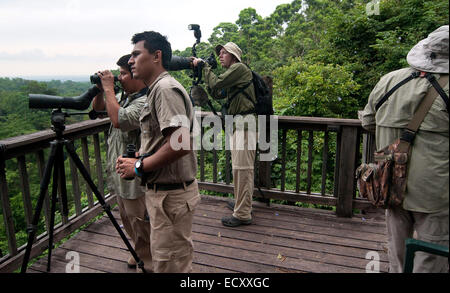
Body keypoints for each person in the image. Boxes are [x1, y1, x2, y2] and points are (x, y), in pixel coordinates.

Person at [360, 25, 449, 273]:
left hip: (390, 180)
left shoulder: (389, 80)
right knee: (431, 255)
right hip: (434, 189)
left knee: (397, 250)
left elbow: (367, 122)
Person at [116, 31, 201, 273]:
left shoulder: (164, 89)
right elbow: (164, 140)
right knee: (168, 261)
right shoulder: (156, 89)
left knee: (170, 265)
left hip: (170, 198)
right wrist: (138, 161)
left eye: (136, 54)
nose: (130, 60)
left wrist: (139, 166)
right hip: (164, 196)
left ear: (156, 56)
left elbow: (181, 142)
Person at [92, 54, 152, 272]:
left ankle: (148, 261)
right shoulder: (124, 97)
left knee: (141, 221)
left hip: (136, 176)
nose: (120, 78)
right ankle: (139, 251)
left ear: (137, 75)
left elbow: (120, 120)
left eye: (124, 74)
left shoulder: (145, 100)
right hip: (120, 172)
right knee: (127, 218)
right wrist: (101, 91)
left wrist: (109, 89)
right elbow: (99, 110)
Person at [192, 42, 257, 227]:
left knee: (243, 169)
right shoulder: (234, 74)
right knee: (239, 168)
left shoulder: (239, 68)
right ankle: (241, 203)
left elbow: (217, 83)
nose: (220, 56)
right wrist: (205, 75)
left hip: (246, 124)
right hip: (239, 124)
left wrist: (204, 66)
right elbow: (218, 92)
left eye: (223, 53)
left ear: (234, 55)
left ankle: (243, 214)